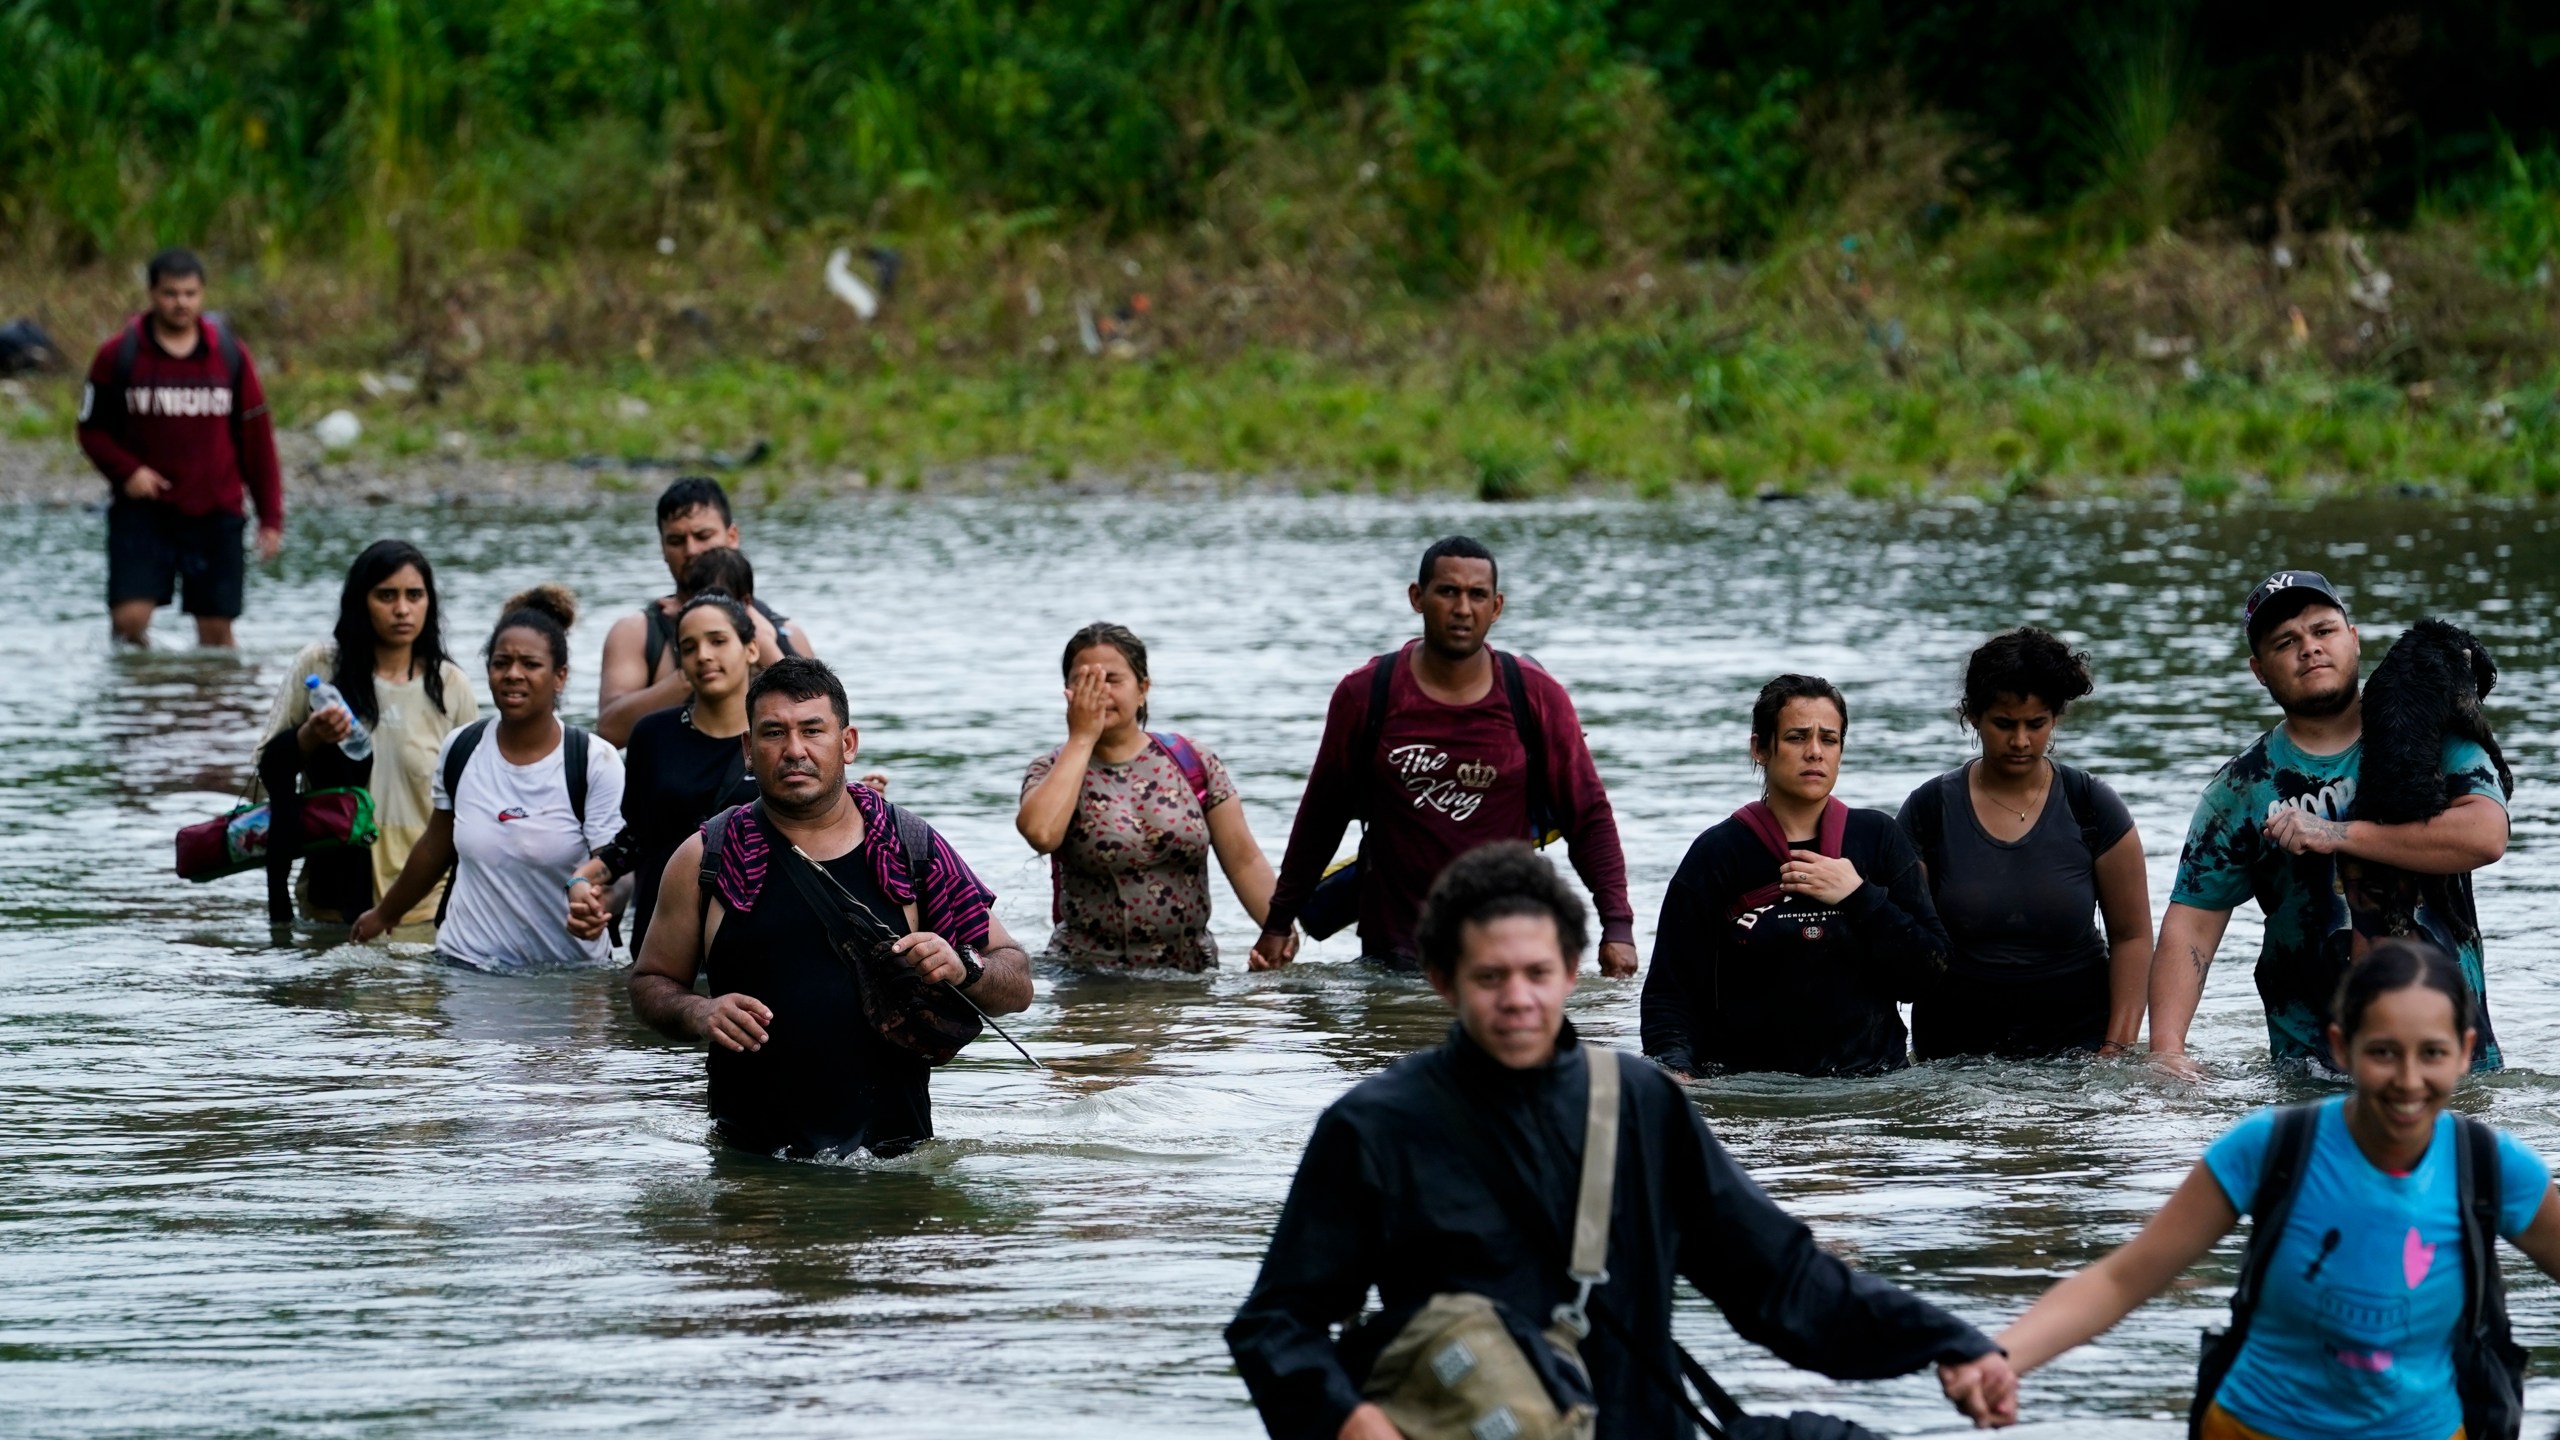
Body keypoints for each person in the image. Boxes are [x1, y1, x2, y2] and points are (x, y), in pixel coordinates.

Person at [1227, 842, 2016, 1439]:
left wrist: (1946, 1339)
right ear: (1441, 979)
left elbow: (1776, 1281)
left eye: (1536, 973)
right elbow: (1277, 1326)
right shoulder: (1373, 1127)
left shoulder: (1638, 1103)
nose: (1517, 999)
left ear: (1572, 970)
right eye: (1490, 977)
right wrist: (1349, 1420)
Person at [1995, 940, 2560, 1440]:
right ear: (2341, 1047)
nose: (2408, 1081)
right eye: (2383, 1052)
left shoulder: (2489, 1167)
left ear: (2465, 1052)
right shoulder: (2274, 1148)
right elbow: (2119, 1280)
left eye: (2432, 1053)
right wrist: (2000, 1360)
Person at [626, 657, 1032, 1159]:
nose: (794, 750)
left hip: (895, 1163)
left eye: (812, 730)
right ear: (749, 750)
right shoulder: (706, 858)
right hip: (751, 1169)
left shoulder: (909, 848)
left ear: (848, 743)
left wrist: (963, 966)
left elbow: (1016, 981)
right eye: (774, 733)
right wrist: (699, 1011)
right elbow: (649, 983)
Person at [2148, 571, 2512, 1076]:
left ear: (2353, 639)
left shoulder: (2432, 735)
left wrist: (2336, 834)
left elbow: (2486, 836)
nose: (2309, 649)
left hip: (2453, 1064)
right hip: (2311, 1073)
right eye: (2286, 642)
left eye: (2323, 631)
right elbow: (2191, 923)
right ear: (2259, 670)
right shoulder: (2240, 788)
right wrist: (2167, 1052)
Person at [1253, 536, 1637, 976]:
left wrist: (1618, 927)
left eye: (1477, 595)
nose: (1462, 608)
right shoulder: (1365, 694)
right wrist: (1278, 921)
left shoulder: (1534, 695)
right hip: (1393, 953)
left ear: (1496, 607)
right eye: (1448, 591)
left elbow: (1587, 815)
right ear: (1418, 598)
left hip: (1506, 950)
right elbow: (1322, 815)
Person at [1641, 674, 1948, 1078]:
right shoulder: (1718, 852)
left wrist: (1860, 896)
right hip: (1749, 1092)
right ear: (1760, 748)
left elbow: (1929, 974)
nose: (1815, 752)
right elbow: (1670, 992)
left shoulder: (1877, 838)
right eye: (1797, 737)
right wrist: (1676, 1073)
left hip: (1871, 1090)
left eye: (1829, 739)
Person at [1897, 628, 2151, 1059]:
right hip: (1954, 1052)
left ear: (2056, 718)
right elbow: (1903, 939)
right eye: (2003, 724)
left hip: (2077, 1047)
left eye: (2036, 724)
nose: (2020, 741)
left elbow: (2132, 937)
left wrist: (2116, 1047)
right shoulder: (1928, 811)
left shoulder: (2091, 806)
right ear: (1973, 716)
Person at [353, 587, 626, 969]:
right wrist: (385, 914)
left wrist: (599, 908)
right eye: (501, 663)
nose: (513, 674)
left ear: (560, 677)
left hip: (565, 972)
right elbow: (435, 847)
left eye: (530, 664)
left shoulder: (594, 761)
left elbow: (619, 868)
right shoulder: (462, 749)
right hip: (466, 964)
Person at [1016, 622, 1288, 971]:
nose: (1099, 692)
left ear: (1142, 688)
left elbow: (1244, 860)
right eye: (1084, 682)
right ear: (1067, 692)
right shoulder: (1051, 769)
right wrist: (1082, 737)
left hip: (1193, 974)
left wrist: (1279, 930)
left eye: (1111, 680)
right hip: (1089, 978)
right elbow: (1041, 835)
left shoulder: (1193, 761)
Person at [254, 540, 478, 925]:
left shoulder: (450, 686)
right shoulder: (320, 667)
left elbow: (473, 805)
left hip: (422, 907)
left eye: (414, 595)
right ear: (361, 601)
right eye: (386, 596)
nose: (403, 609)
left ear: (430, 603)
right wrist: (309, 736)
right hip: (330, 902)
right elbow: (267, 773)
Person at [77, 248, 284, 647]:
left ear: (202, 294)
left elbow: (257, 441)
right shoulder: (118, 355)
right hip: (142, 512)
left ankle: (205, 703)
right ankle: (143, 700)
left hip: (215, 511)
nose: (181, 303)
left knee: (216, 633)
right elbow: (90, 431)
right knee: (129, 622)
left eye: (190, 294)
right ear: (152, 294)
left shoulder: (229, 355)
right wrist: (127, 470)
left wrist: (270, 517)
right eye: (171, 293)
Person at [569, 589, 761, 958]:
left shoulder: (776, 734)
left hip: (753, 948)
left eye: (718, 641)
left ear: (750, 649)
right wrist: (581, 879)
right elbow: (637, 841)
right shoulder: (652, 735)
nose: (703, 655)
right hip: (663, 945)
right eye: (688, 647)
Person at [595, 476, 812, 745]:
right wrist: (695, 671)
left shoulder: (784, 631)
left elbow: (821, 725)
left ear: (732, 536)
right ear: (662, 548)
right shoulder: (635, 632)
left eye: (703, 536)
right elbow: (610, 733)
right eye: (676, 540)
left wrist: (765, 646)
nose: (691, 550)